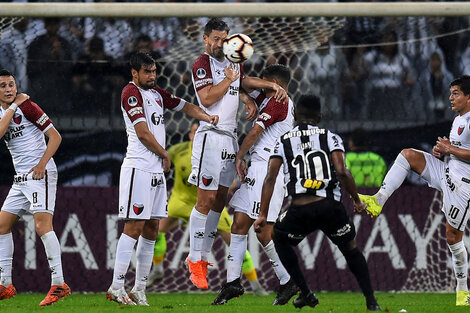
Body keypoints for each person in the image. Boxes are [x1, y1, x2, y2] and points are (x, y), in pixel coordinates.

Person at [106, 52, 218, 306]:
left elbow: (184, 105)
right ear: (134, 73)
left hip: (155, 171)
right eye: (147, 72)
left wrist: (206, 116)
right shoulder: (130, 93)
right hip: (139, 168)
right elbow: (142, 133)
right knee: (133, 226)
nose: (152, 76)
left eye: (154, 71)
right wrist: (164, 154)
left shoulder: (157, 94)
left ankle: (139, 288)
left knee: (152, 229)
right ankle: (116, 286)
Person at [254, 95, 382, 311]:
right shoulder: (329, 137)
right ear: (320, 118)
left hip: (300, 207)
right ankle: (371, 302)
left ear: (295, 115)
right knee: (350, 248)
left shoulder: (283, 140)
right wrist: (357, 200)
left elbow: (270, 178)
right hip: (329, 206)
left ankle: (305, 292)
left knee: (278, 237)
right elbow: (342, 171)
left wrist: (262, 214)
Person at [187, 17, 288, 290]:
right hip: (210, 134)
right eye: (216, 39)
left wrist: (260, 90)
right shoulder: (201, 64)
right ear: (205, 39)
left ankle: (204, 257)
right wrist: (232, 81)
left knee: (220, 200)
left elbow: (243, 83)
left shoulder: (233, 62)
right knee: (205, 199)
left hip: (230, 137)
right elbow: (207, 98)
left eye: (224, 39)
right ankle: (194, 258)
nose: (220, 44)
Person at [358, 75, 470, 306]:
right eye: (451, 93)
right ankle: (378, 199)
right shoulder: (460, 118)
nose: (450, 97)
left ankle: (462, 290)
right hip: (447, 170)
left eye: (456, 93)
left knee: (452, 237)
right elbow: (460, 149)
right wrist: (445, 151)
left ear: (469, 96)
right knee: (408, 155)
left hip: (463, 184)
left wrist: (450, 148)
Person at [146, 120, 266, 295]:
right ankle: (157, 269)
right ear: (190, 135)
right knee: (155, 230)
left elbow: (232, 179)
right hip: (180, 201)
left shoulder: (216, 152)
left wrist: (228, 185)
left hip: (209, 204)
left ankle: (256, 286)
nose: (196, 136)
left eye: (199, 132)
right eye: (194, 132)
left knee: (235, 241)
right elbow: (162, 163)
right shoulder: (177, 151)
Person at [212, 64, 297, 305]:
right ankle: (232, 283)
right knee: (239, 224)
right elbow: (242, 81)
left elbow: (255, 133)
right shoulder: (267, 94)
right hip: (259, 166)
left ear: (274, 82)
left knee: (262, 231)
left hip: (268, 168)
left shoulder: (279, 101)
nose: (260, 82)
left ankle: (287, 280)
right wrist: (248, 98)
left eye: (266, 80)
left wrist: (239, 156)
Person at [0, 69, 70, 306]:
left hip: (41, 172)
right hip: (21, 178)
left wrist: (41, 164)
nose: (9, 89)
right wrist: (11, 108)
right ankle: (5, 283)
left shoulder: (28, 107)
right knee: (2, 225)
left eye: (12, 84)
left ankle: (59, 283)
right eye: (3, 86)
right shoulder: (7, 111)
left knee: (42, 226)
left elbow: (56, 136)